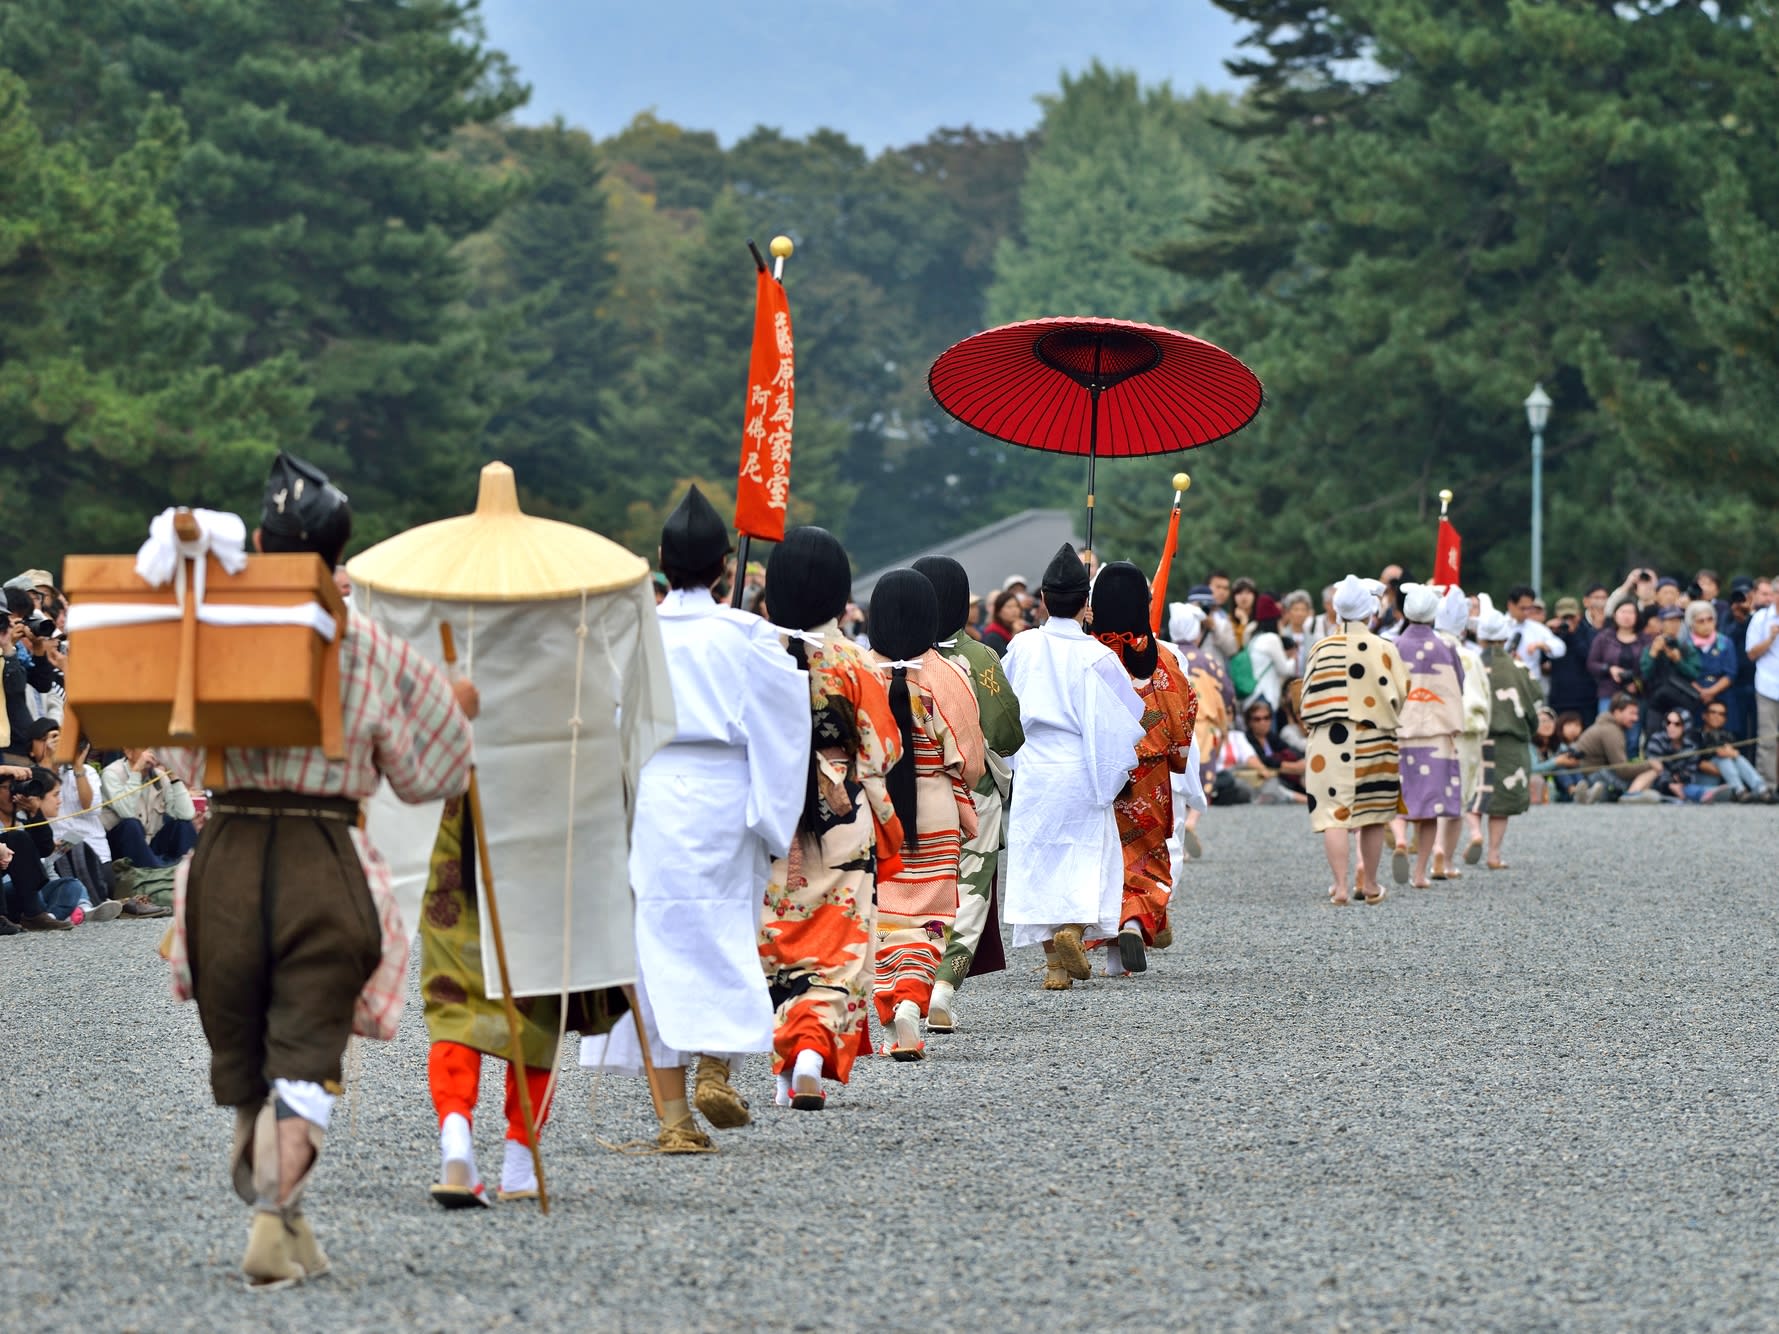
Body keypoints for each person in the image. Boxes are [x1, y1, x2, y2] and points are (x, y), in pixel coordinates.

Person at [164, 452, 477, 1288]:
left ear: (260, 541)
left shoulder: (210, 632)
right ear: (341, 555)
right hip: (323, 857)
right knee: (305, 1051)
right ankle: (273, 1216)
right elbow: (432, 776)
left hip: (225, 856)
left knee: (244, 1050)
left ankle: (271, 1177)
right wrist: (459, 707)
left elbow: (177, 757)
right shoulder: (371, 646)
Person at [576, 486, 811, 1152]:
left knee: (654, 948)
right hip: (726, 794)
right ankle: (718, 1064)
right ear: (723, 569)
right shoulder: (748, 635)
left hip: (653, 793)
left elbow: (605, 725)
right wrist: (771, 817)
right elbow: (782, 727)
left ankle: (675, 1120)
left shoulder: (632, 633)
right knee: (726, 934)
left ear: (659, 560)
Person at [757, 527, 904, 1111]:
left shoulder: (756, 653)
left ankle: (783, 1071)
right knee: (838, 948)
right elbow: (882, 753)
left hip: (770, 818)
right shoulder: (854, 662)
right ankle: (813, 1055)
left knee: (778, 945)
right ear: (841, 595)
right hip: (841, 821)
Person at [1000, 543, 1145, 990]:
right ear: (1087, 603)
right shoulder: (1096, 656)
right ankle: (1074, 931)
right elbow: (1130, 712)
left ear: (1042, 598)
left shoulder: (1022, 646)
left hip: (1036, 766)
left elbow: (1003, 704)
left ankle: (1053, 967)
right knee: (1086, 857)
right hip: (1082, 766)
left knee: (1038, 858)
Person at [863, 570, 980, 1056]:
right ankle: (913, 1000)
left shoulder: (856, 671)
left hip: (874, 810)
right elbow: (969, 760)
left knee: (881, 917)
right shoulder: (945, 677)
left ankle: (891, 1010)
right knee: (928, 919)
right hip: (933, 811)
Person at [911, 555, 1023, 1034]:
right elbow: (1007, 733)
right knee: (970, 889)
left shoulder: (895, 657)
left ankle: (904, 983)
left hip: (908, 789)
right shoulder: (980, 659)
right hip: (971, 791)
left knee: (913, 887)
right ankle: (942, 988)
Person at [1084, 562, 1197, 976]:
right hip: (1147, 772)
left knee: (1105, 856)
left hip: (1096, 768)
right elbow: (1183, 712)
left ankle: (1112, 945)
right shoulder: (1162, 658)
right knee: (1145, 856)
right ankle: (1132, 924)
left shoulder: (1087, 656)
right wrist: (1178, 756)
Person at [1301, 575, 1409, 906]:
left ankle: (1341, 887)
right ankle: (1372, 884)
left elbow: (1305, 694)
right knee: (1373, 813)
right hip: (1374, 735)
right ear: (1370, 611)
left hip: (1327, 739)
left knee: (1334, 814)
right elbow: (1401, 691)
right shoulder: (1385, 648)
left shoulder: (1321, 647)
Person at [1392, 584, 1466, 888]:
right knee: (1431, 804)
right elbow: (1459, 683)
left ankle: (1398, 839)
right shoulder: (1446, 647)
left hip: (1398, 730)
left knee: (1395, 796)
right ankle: (1420, 872)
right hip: (1437, 732)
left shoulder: (1392, 645)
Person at [1469, 609, 1542, 868]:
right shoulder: (1518, 668)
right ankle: (1494, 854)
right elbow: (1535, 705)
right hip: (1510, 740)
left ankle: (1474, 832)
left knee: (1474, 791)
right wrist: (1531, 729)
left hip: (1475, 737)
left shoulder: (1470, 663)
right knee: (1501, 801)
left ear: (1480, 638)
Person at [1433, 587, 1489, 874]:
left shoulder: (1424, 650)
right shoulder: (1471, 656)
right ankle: (1446, 855)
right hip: (1466, 730)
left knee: (1430, 793)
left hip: (1430, 729)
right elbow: (1484, 698)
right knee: (1458, 798)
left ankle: (1430, 852)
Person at [99, 747, 198, 867]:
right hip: (121, 847)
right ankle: (156, 873)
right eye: (145, 748)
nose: (152, 753)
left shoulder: (159, 776)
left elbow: (186, 814)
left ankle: (188, 870)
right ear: (129, 752)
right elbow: (127, 812)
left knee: (183, 825)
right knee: (131, 824)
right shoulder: (112, 773)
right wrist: (136, 772)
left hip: (150, 844)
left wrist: (174, 777)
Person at [1572, 693, 1664, 804]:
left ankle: (1593, 794)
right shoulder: (1612, 731)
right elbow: (1622, 769)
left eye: (1637, 714)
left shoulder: (1605, 725)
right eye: (1632, 713)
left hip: (1590, 776)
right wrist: (1649, 764)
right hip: (1596, 775)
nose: (1636, 718)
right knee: (1652, 770)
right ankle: (1631, 794)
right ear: (1617, 712)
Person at [1645, 710, 1727, 803]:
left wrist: (1679, 779)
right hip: (1658, 785)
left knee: (1687, 788)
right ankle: (1706, 793)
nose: (1671, 727)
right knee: (1687, 792)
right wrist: (1669, 784)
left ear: (1685, 726)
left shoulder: (1691, 746)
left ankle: (1708, 793)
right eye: (1668, 723)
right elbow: (1657, 769)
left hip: (1683, 784)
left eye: (1677, 724)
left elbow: (1689, 772)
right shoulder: (1657, 740)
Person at [1698, 698, 1770, 801]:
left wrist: (1731, 754)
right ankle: (1743, 790)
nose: (1716, 716)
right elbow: (1697, 764)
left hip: (1725, 780)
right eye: (1713, 712)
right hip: (1703, 780)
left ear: (1725, 719)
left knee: (1735, 758)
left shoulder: (1728, 736)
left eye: (1721, 714)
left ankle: (1760, 790)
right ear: (1704, 715)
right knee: (1725, 759)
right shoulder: (1695, 734)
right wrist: (1722, 753)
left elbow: (1732, 756)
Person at [1640, 606, 1702, 722]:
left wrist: (1678, 661)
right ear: (1661, 623)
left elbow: (1694, 674)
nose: (1674, 624)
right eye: (1670, 621)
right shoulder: (1650, 648)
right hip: (1656, 704)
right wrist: (1653, 654)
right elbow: (1645, 675)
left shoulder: (1686, 648)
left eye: (1677, 621)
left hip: (1680, 703)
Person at [1587, 600, 1649, 716]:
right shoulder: (1604, 638)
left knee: (1633, 732)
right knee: (1607, 729)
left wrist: (1637, 683)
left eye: (1631, 612)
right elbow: (1591, 663)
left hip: (1636, 695)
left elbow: (1650, 667)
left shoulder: (1645, 640)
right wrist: (1609, 669)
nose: (1626, 616)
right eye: (1623, 612)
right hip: (1609, 693)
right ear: (1615, 615)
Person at [1686, 602, 1739, 733]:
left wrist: (1711, 692)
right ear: (1692, 624)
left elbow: (1730, 673)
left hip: (1723, 695)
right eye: (1701, 621)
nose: (1706, 624)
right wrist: (1701, 692)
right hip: (1695, 697)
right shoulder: (1685, 645)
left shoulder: (1725, 642)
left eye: (1710, 619)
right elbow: (1683, 672)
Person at [1234, 593, 1293, 712]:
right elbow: (1285, 670)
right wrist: (1293, 658)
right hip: (1266, 696)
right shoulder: (1272, 639)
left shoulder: (1254, 638)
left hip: (1250, 698)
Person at [1546, 596, 1598, 717]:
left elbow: (1589, 657)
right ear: (1557, 617)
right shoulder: (1552, 634)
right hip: (1559, 699)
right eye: (1564, 617)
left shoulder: (1589, 633)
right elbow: (1543, 659)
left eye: (1571, 617)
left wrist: (1573, 635)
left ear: (1579, 615)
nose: (1568, 621)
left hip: (1585, 700)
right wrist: (1547, 631)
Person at [1748, 591, 1779, 785]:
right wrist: (1770, 639)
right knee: (1767, 740)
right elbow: (1751, 654)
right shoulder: (1761, 618)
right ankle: (1767, 785)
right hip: (1767, 686)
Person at [979, 589, 1023, 658]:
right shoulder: (992, 635)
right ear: (998, 612)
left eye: (1016, 606)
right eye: (1009, 607)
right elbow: (1006, 661)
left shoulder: (1025, 628)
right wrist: (1015, 634)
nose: (1014, 610)